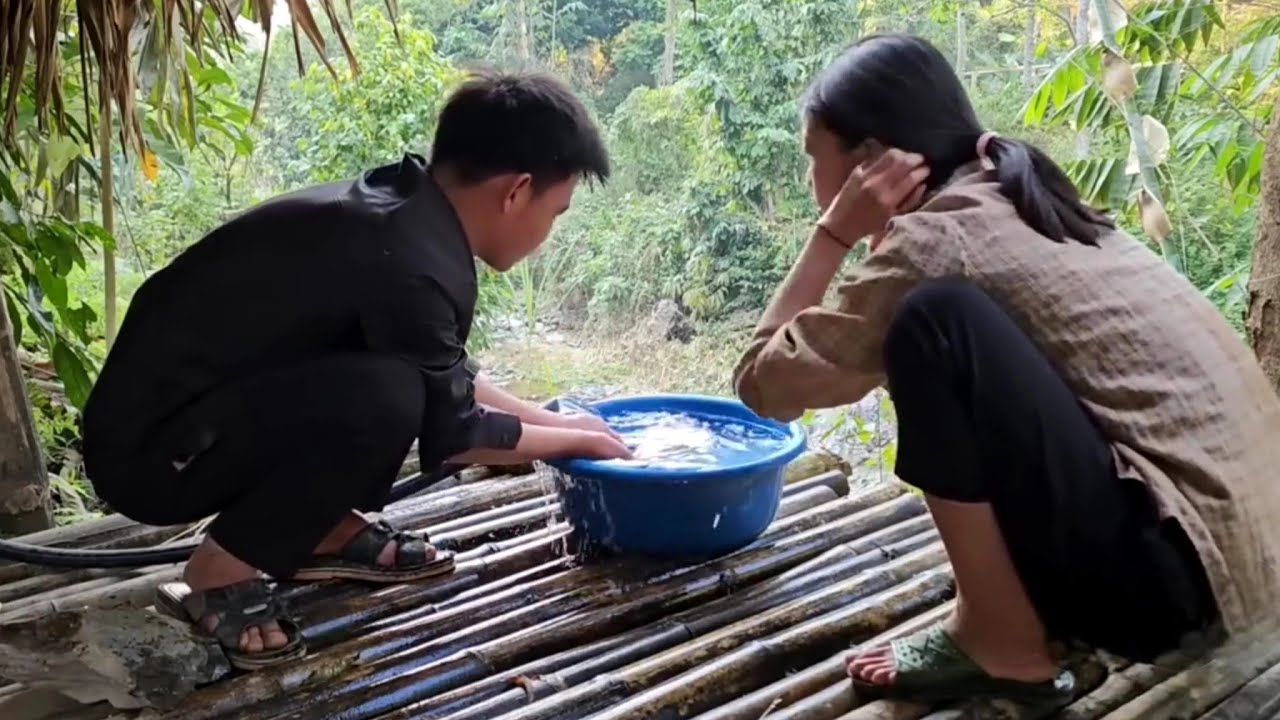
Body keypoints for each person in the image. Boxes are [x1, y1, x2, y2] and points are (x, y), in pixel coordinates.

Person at [734, 34, 1280, 703]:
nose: (807, 183)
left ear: (868, 165)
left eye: (811, 161)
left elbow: (765, 385)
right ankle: (1019, 619)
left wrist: (834, 234)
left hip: (1173, 587)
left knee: (935, 324)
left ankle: (1003, 643)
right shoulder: (1015, 190)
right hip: (1242, 563)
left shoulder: (939, 237)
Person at [81, 72, 631, 670]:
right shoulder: (412, 263)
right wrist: (574, 441)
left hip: (193, 418)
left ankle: (316, 528)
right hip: (151, 456)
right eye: (556, 212)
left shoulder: (405, 218)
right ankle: (221, 570)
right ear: (517, 191)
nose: (549, 235)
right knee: (389, 398)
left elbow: (449, 375)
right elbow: (460, 432)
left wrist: (553, 419)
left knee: (398, 386)